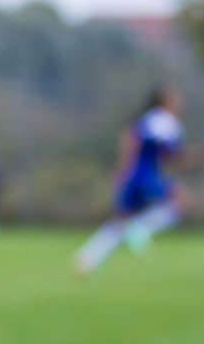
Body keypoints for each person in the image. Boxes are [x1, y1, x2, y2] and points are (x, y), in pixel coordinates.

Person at [74, 85, 187, 276]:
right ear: (165, 102)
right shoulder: (164, 120)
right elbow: (172, 154)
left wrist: (123, 167)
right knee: (178, 203)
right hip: (146, 175)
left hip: (131, 175)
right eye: (175, 98)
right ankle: (140, 229)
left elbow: (130, 140)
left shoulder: (144, 120)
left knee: (121, 220)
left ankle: (87, 260)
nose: (180, 101)